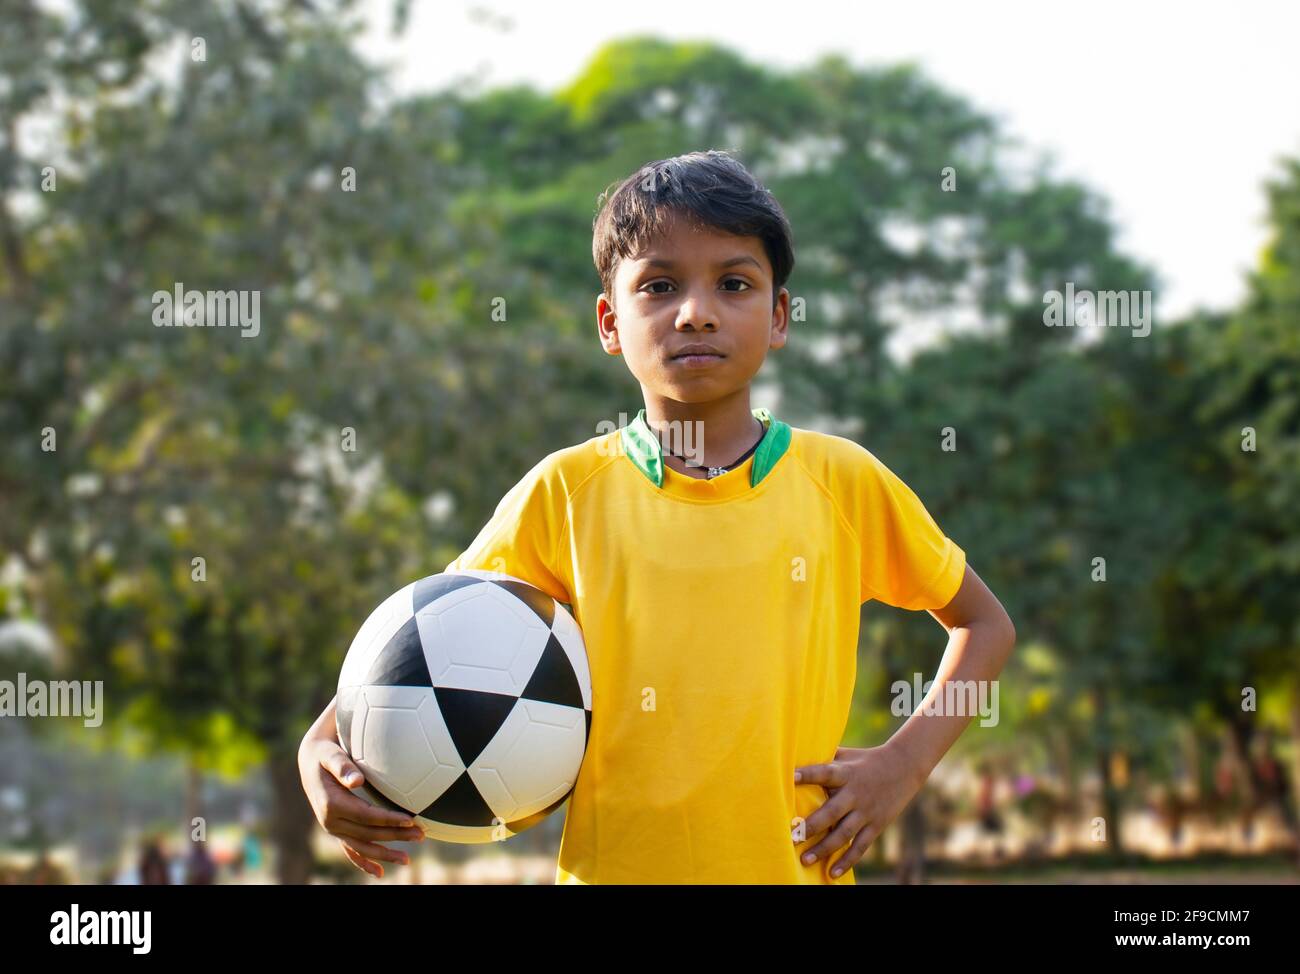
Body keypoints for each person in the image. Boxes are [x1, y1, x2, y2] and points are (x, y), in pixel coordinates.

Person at [298, 150, 1017, 884]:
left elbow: (984, 625)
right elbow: (429, 641)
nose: (696, 311)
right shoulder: (565, 492)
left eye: (733, 283)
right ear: (611, 321)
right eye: (660, 285)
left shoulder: (842, 481)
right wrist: (319, 745)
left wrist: (904, 763)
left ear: (778, 317)